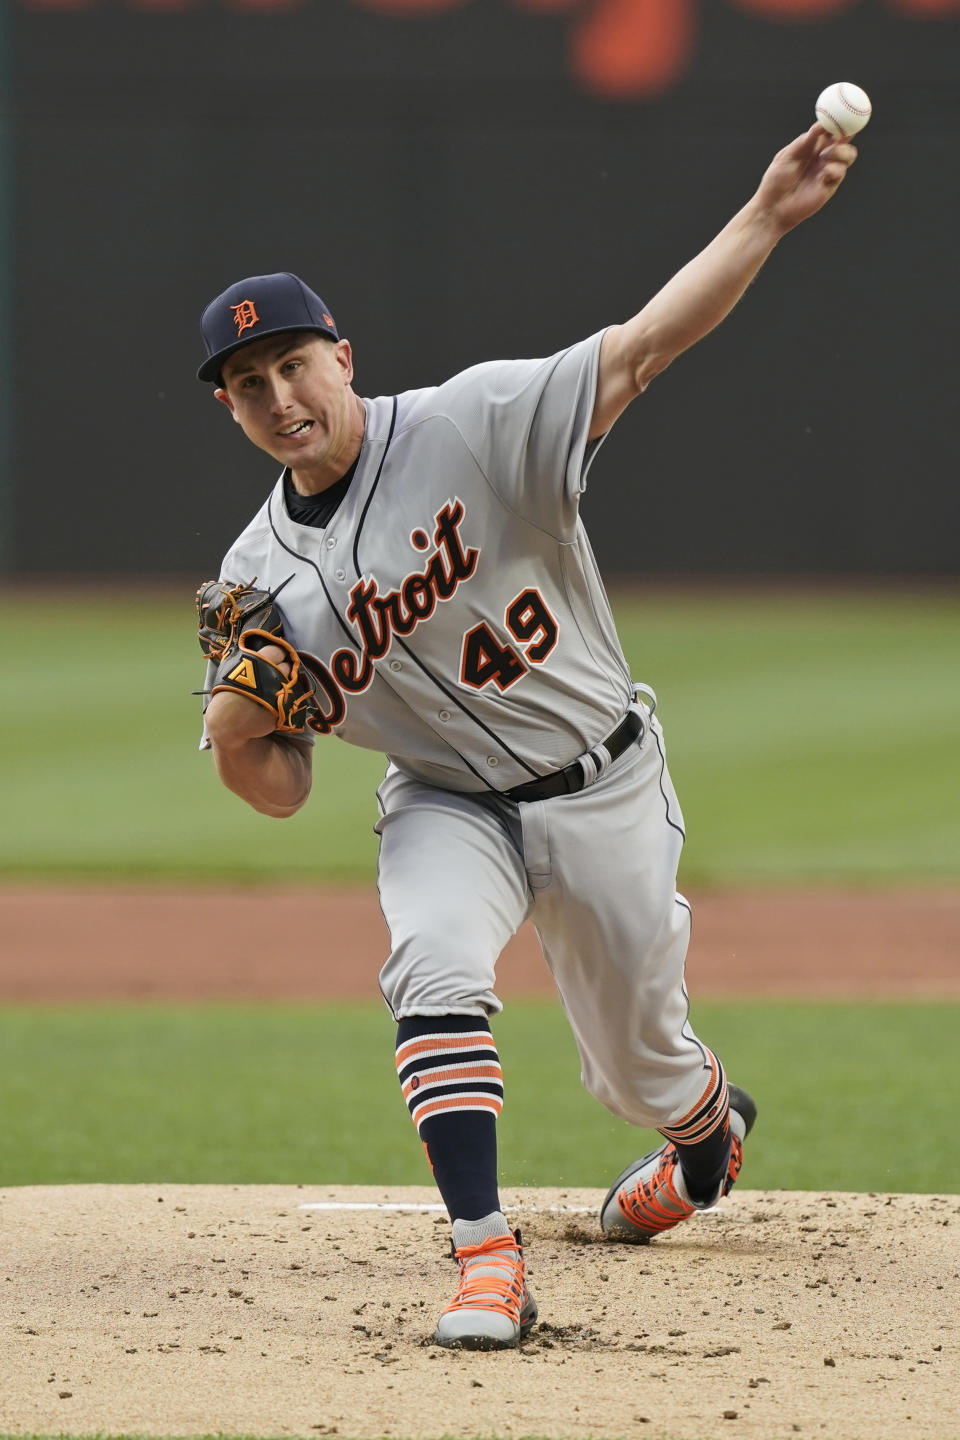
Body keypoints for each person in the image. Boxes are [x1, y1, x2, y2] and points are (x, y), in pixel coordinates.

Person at [195, 123, 857, 1350]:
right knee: (435, 964)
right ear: (229, 407)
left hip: (602, 782)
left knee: (640, 1073)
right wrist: (239, 734)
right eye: (248, 385)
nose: (279, 398)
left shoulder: (475, 421)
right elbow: (281, 792)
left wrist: (766, 215)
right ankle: (485, 1260)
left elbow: (646, 347)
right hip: (445, 801)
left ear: (343, 357)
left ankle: (705, 1134)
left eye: (294, 365)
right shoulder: (252, 581)